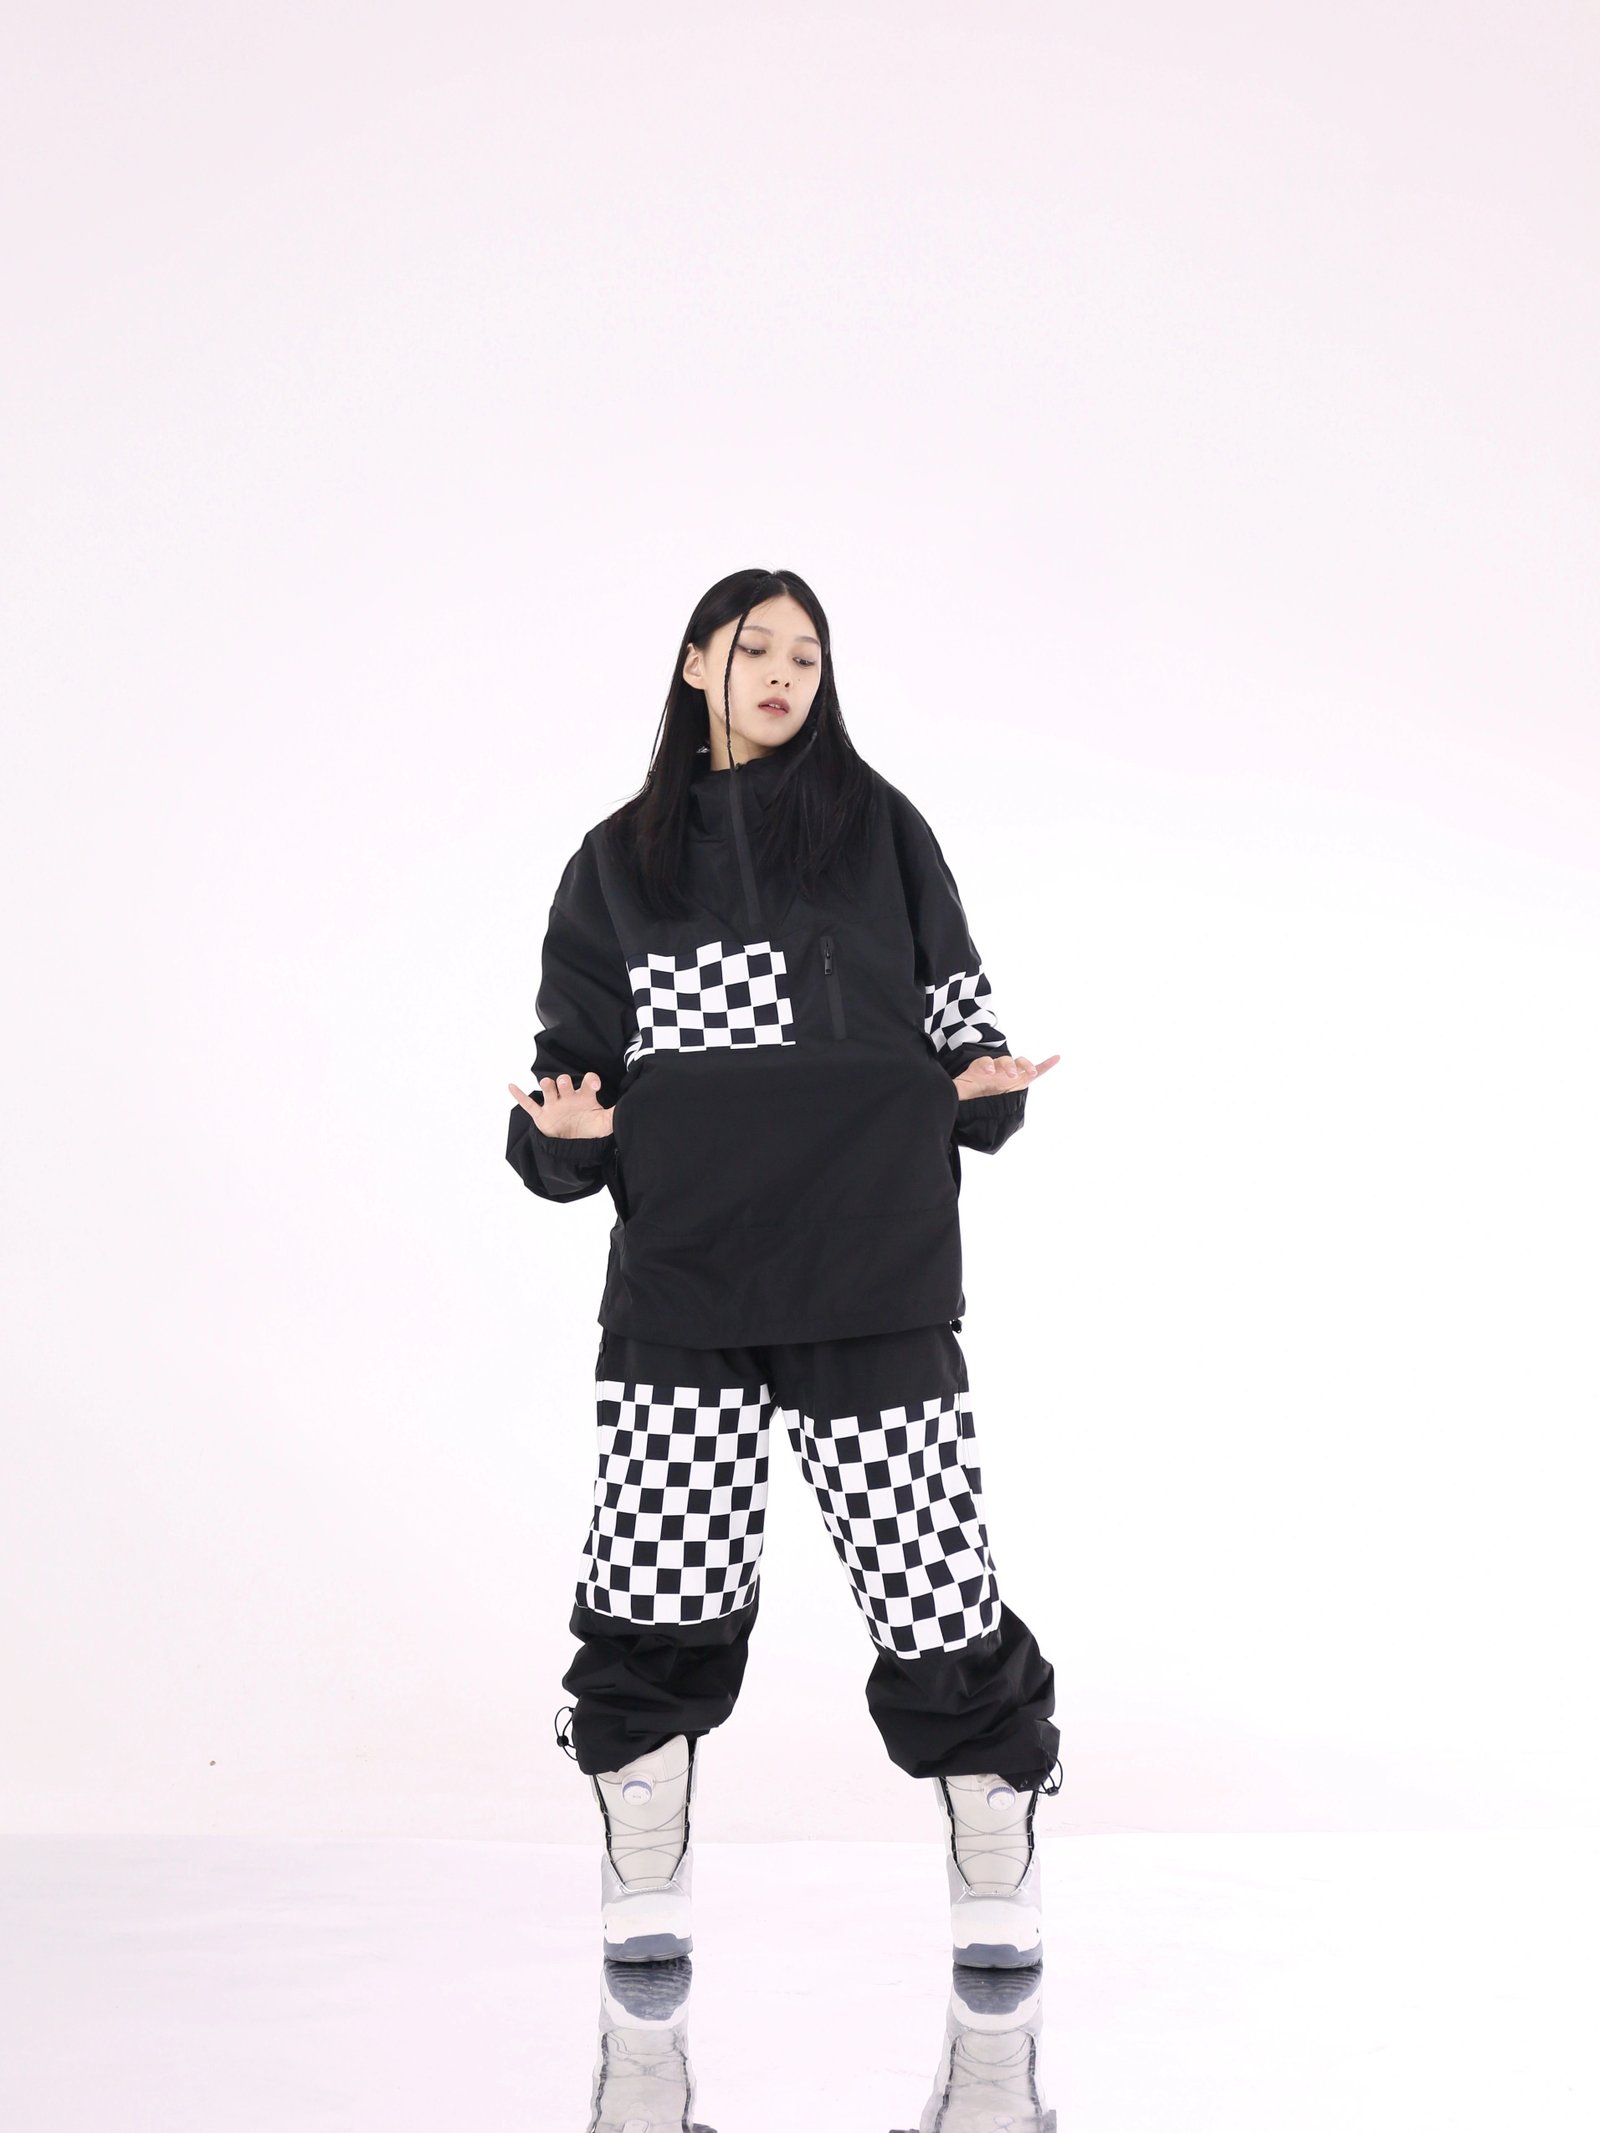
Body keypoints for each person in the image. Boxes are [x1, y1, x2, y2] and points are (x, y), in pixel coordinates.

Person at [505, 567, 1063, 1970]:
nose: (781, 674)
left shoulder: (880, 827)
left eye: (806, 655)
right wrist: (565, 1136)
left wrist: (982, 1085)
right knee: (658, 1570)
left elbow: (956, 1005)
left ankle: (992, 1837)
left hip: (871, 1251)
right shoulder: (616, 859)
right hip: (687, 1265)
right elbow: (575, 1064)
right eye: (755, 648)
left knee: (930, 1565)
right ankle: (645, 1838)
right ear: (697, 663)